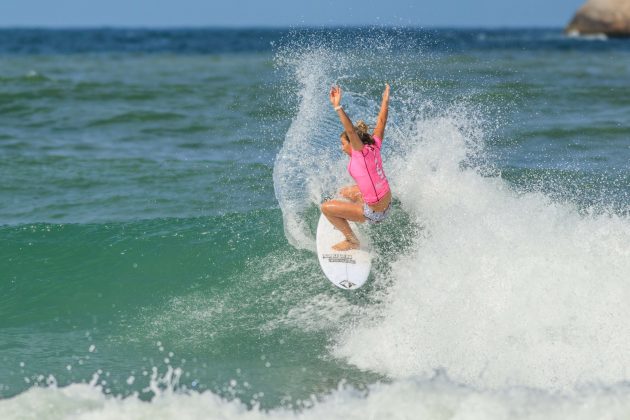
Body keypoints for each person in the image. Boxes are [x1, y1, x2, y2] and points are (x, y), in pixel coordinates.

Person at [321, 84, 392, 251]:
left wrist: (337, 106)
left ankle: (352, 240)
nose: (342, 148)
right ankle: (348, 210)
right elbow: (381, 121)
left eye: (343, 144)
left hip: (375, 214)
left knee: (326, 208)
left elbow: (351, 131)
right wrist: (385, 101)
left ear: (353, 144)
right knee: (345, 192)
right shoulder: (374, 145)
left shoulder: (359, 152)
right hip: (387, 205)